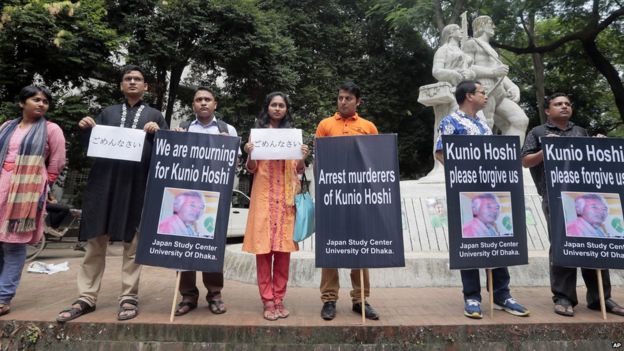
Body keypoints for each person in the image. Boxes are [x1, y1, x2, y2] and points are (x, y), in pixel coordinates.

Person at [57, 65, 167, 322]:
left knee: (133, 242)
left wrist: (158, 134)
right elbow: (91, 149)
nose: (132, 82)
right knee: (95, 240)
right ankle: (86, 296)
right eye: (127, 79)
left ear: (146, 86)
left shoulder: (155, 115)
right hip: (103, 185)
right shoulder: (107, 113)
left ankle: (129, 296)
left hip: (136, 185)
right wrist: (86, 128)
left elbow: (165, 153)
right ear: (120, 85)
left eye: (137, 79)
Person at [521, 93, 624, 317]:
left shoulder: (581, 132)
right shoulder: (537, 132)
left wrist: (599, 147)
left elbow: (590, 161)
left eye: (567, 103)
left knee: (595, 242)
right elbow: (525, 161)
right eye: (558, 104)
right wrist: (546, 148)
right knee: (562, 243)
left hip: (585, 197)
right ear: (548, 111)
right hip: (556, 196)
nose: (564, 107)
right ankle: (563, 297)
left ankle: (600, 297)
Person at [435, 80, 529, 319]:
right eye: (481, 92)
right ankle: (472, 297)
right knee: (468, 244)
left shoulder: (484, 125)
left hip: (491, 192)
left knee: (497, 239)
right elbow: (441, 153)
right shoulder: (451, 121)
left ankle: (502, 294)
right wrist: (465, 175)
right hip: (466, 194)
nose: (485, 96)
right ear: (468, 96)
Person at [315, 82, 380, 321]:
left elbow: (376, 162)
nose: (343, 102)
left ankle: (360, 299)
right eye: (340, 97)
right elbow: (319, 160)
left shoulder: (368, 127)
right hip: (332, 198)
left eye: (348, 98)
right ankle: (329, 299)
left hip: (360, 198)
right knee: (330, 248)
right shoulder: (325, 125)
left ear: (358, 102)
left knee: (360, 248)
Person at [242, 91, 308, 321]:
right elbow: (251, 168)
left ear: (286, 109)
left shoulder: (292, 136)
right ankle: (267, 300)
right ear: (267, 107)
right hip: (264, 200)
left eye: (281, 105)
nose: (278, 108)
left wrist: (302, 156)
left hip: (286, 202)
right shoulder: (258, 134)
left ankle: (279, 298)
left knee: (283, 253)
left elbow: (298, 169)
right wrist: (249, 153)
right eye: (274, 104)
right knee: (263, 252)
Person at [0, 86, 66, 316]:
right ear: (22, 103)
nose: (41, 104)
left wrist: (41, 183)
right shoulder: (7, 126)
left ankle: (3, 297)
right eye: (35, 99)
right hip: (1, 187)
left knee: (13, 243)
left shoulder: (51, 129)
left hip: (26, 192)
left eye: (45, 101)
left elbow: (57, 161)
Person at [172, 87, 237, 317]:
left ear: (215, 104)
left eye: (207, 99)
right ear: (193, 105)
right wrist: (176, 140)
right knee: (182, 245)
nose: (203, 103)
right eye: (198, 100)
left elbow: (234, 164)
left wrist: (227, 144)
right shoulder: (184, 129)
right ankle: (187, 295)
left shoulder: (227, 130)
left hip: (213, 198)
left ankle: (214, 294)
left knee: (212, 246)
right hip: (187, 196)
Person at [462, 16, 528, 143]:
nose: (494, 27)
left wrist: (513, 87)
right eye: (490, 24)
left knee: (520, 120)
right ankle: (484, 160)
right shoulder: (471, 43)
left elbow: (500, 73)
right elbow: (466, 67)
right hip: (484, 88)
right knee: (486, 124)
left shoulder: (492, 49)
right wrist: (492, 72)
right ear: (481, 26)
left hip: (499, 90)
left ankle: (509, 159)